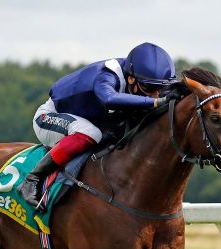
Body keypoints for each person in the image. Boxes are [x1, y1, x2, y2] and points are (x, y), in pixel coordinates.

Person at [17, 42, 177, 208]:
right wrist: (156, 102)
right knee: (90, 133)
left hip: (85, 119)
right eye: (150, 87)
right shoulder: (107, 76)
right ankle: (32, 179)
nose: (155, 94)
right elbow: (109, 99)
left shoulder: (140, 76)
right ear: (131, 78)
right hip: (48, 117)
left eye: (160, 89)